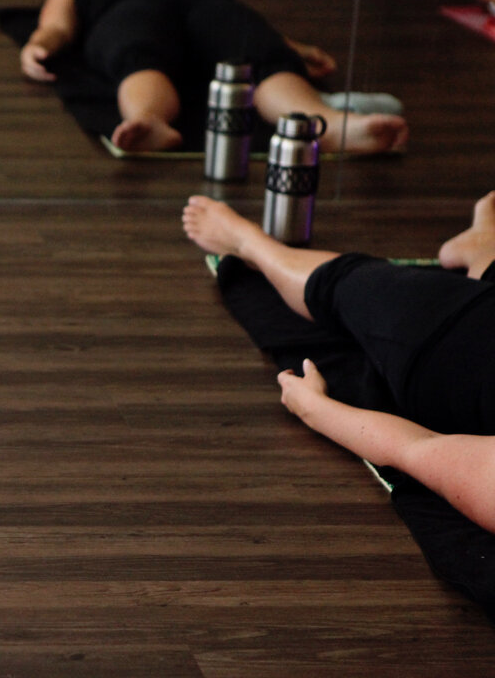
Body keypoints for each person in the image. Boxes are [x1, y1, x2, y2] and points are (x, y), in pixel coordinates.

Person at [183, 190, 495, 533]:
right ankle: (483, 250)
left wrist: (314, 408)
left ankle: (249, 243)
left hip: (454, 346)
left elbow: (415, 448)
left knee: (339, 282)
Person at [19, 0, 408, 154]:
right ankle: (148, 120)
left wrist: (292, 47)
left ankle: (328, 126)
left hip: (204, 7)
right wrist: (40, 44)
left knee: (264, 58)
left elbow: (242, 23)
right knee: (137, 55)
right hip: (131, 9)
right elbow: (55, 24)